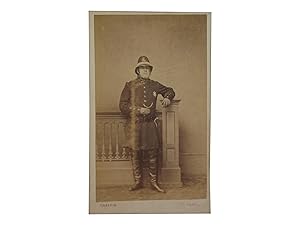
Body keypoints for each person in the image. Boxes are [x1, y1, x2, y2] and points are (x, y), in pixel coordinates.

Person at [119, 56, 175, 193]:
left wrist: (167, 98)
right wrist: (139, 110)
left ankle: (154, 183)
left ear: (150, 70)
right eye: (142, 68)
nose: (145, 70)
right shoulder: (130, 85)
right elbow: (122, 105)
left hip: (150, 126)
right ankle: (138, 182)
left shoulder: (155, 85)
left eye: (147, 68)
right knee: (135, 153)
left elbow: (170, 90)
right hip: (135, 126)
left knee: (153, 154)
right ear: (137, 70)